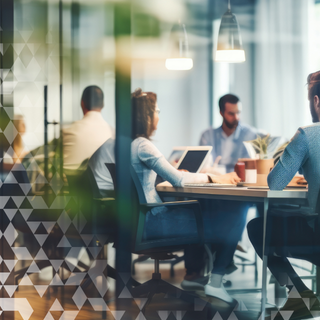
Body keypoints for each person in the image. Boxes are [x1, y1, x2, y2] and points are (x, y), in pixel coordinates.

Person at [130, 88, 248, 304]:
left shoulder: (130, 146)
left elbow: (149, 182)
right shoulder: (144, 146)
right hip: (156, 224)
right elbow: (180, 181)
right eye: (156, 110)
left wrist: (176, 173)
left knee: (209, 212)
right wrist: (215, 178)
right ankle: (216, 280)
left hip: (144, 220)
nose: (158, 115)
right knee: (237, 212)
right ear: (146, 116)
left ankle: (197, 273)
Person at [247, 70, 320, 319]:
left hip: (316, 236)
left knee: (258, 228)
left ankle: (299, 295)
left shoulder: (308, 135)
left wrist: (297, 156)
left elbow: (275, 182)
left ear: (317, 101)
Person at [200, 94, 259, 173]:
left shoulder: (249, 134)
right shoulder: (207, 136)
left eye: (238, 112)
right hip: (214, 180)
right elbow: (205, 166)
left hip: (239, 181)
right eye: (231, 114)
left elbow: (250, 166)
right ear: (221, 113)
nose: (236, 117)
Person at [63, 85, 114, 170]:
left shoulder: (67, 131)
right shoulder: (113, 134)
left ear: (82, 103)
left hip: (69, 182)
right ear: (103, 104)